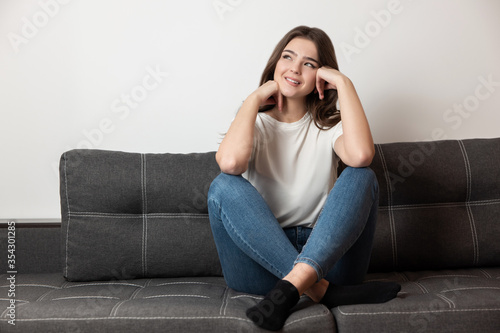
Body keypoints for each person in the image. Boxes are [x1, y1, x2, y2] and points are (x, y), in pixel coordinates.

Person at [207, 25, 400, 331]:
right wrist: (254, 98)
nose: (295, 68)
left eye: (309, 64)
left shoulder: (329, 127)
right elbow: (230, 163)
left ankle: (298, 284)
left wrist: (344, 82)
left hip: (327, 257)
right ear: (275, 65)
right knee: (222, 186)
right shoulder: (254, 123)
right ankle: (321, 290)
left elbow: (362, 155)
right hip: (258, 266)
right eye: (288, 57)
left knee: (362, 176)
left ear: (321, 77)